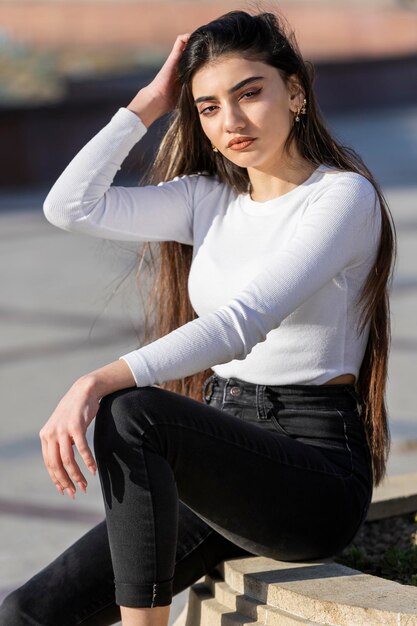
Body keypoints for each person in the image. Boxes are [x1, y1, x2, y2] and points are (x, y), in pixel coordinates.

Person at [0, 9, 395, 626]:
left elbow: (243, 322)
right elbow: (68, 207)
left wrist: (96, 379)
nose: (232, 121)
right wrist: (146, 106)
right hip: (221, 449)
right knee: (26, 612)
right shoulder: (205, 199)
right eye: (209, 107)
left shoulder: (341, 197)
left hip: (312, 476)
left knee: (129, 411)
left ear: (294, 91)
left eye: (249, 93)